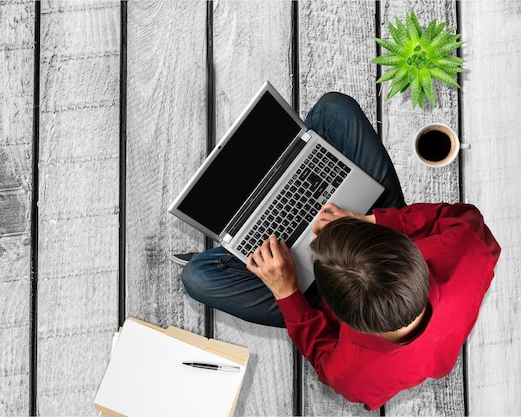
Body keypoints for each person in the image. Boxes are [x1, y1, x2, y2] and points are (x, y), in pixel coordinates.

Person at [176, 92, 501, 410]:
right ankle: (298, 180)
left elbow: (320, 352)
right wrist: (370, 218)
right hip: (380, 231)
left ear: (341, 317)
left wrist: (288, 292)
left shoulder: (351, 376)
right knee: (334, 108)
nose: (317, 237)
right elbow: (461, 217)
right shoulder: (469, 251)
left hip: (310, 294)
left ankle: (255, 242)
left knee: (197, 278)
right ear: (410, 251)